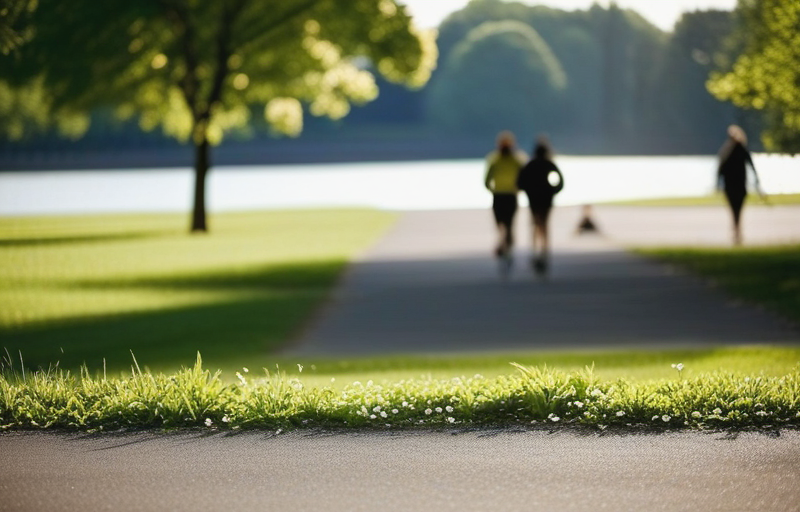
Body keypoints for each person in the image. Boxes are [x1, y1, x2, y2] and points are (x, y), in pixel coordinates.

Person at [516, 136, 563, 275]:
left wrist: (528, 190)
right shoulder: (549, 163)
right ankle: (544, 249)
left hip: (534, 198)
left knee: (535, 223)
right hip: (546, 198)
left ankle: (535, 249)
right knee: (544, 223)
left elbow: (520, 182)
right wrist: (553, 190)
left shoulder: (530, 164)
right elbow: (560, 182)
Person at [717, 125, 763, 245]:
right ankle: (737, 231)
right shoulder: (738, 150)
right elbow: (752, 166)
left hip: (733, 185)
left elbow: (720, 169)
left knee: (735, 210)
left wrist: (718, 184)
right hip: (738, 185)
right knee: (737, 209)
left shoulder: (728, 151)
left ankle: (737, 231)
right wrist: (757, 181)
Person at [484, 131, 527, 259]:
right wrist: (519, 189)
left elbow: (486, 181)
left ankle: (504, 244)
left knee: (501, 223)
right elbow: (524, 177)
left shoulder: (494, 159)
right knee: (508, 223)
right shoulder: (517, 159)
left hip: (499, 195)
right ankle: (507, 244)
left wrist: (493, 190)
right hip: (510, 195)